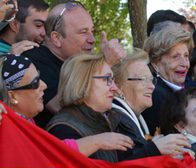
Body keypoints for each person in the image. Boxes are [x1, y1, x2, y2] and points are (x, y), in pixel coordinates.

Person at [0, 54, 134, 157]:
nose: (44, 85)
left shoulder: (24, 122)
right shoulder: (5, 130)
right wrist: (96, 142)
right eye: (35, 82)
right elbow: (49, 155)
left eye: (40, 78)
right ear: (12, 96)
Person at [23, 1, 125, 128]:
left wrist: (103, 65)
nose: (92, 39)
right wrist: (105, 63)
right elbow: (64, 109)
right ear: (56, 38)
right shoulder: (33, 60)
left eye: (92, 31)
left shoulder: (78, 61)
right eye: (83, 32)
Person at [46, 53, 134, 162]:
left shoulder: (109, 116)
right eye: (107, 79)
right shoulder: (63, 129)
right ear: (83, 82)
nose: (114, 87)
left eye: (113, 79)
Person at [111, 49, 194, 161]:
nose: (152, 87)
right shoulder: (117, 120)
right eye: (143, 79)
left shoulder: (129, 118)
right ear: (118, 86)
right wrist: (156, 149)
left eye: (151, 80)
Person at [142, 27, 192, 134]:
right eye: (175, 57)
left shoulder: (182, 91)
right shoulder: (156, 96)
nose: (184, 63)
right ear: (155, 63)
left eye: (186, 56)